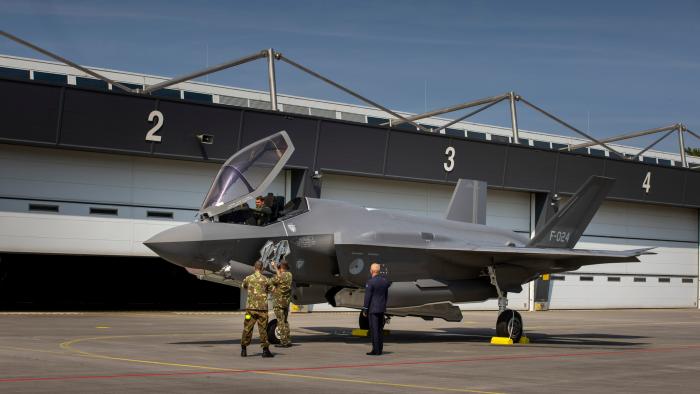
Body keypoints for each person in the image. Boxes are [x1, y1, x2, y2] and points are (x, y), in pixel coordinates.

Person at [241, 261, 274, 358]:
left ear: (254, 268)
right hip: (262, 309)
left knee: (247, 327)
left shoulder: (248, 278)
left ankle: (243, 349)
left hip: (250, 309)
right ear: (262, 268)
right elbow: (272, 290)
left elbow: (244, 286)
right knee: (263, 329)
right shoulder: (266, 279)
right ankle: (265, 350)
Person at [362, 262, 390, 356]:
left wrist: (365, 309)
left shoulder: (370, 282)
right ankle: (380, 349)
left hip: (373, 309)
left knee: (374, 330)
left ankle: (376, 350)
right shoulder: (385, 281)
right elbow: (386, 296)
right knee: (379, 330)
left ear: (371, 271)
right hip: (381, 309)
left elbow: (367, 297)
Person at [270, 260, 293, 347]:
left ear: (281, 267)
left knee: (280, 322)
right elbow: (281, 277)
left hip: (278, 303)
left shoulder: (279, 277)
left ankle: (284, 342)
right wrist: (276, 268)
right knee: (285, 321)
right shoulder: (289, 275)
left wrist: (275, 267)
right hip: (286, 302)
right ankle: (288, 339)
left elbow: (274, 280)